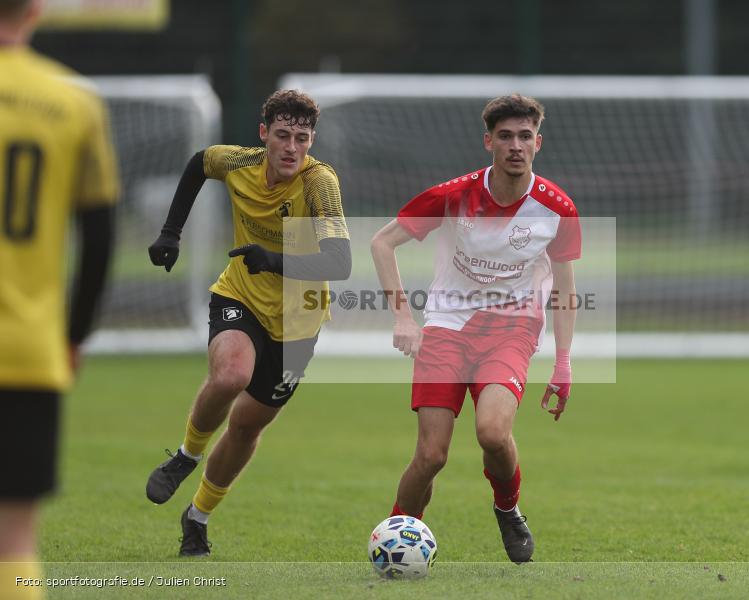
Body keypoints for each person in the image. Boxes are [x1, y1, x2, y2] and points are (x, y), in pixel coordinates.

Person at [370, 94, 580, 563]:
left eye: (525, 136)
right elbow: (382, 243)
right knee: (430, 457)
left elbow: (565, 290)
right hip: (447, 327)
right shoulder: (453, 195)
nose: (515, 145)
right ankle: (396, 539)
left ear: (538, 143)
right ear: (488, 142)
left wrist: (563, 363)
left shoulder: (557, 209)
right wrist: (403, 316)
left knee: (492, 433)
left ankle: (508, 509)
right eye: (505, 136)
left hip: (512, 331)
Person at [144, 90, 351, 556]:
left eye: (301, 138)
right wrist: (170, 232)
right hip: (239, 295)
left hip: (299, 323)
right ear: (264, 135)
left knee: (246, 427)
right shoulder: (238, 162)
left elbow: (340, 261)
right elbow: (200, 163)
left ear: (311, 140)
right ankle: (186, 455)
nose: (291, 148)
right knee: (231, 374)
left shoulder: (320, 183)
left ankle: (197, 517)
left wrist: (273, 260)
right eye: (282, 135)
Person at [0, 0, 119, 595]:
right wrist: (72, 336)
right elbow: (99, 237)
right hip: (25, 349)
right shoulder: (72, 102)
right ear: (36, 10)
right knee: (14, 541)